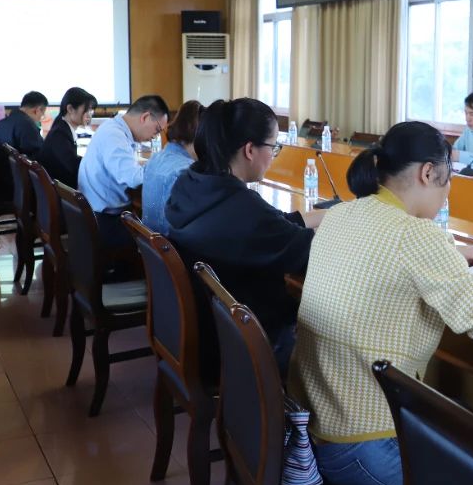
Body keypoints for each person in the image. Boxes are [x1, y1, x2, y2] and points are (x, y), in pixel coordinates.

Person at [288, 121, 473, 485]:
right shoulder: (417, 236)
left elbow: (388, 254)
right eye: (448, 179)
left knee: (463, 412)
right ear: (428, 173)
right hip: (366, 449)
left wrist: (448, 253)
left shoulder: (339, 215)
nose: (447, 192)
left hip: (315, 431)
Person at [165, 98, 323, 366]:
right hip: (244, 345)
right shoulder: (243, 210)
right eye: (273, 147)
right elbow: (309, 252)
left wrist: (324, 215)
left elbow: (271, 225)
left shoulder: (193, 182)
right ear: (250, 150)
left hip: (203, 329)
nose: (273, 155)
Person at [78, 94, 169, 248]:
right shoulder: (114, 135)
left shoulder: (113, 127)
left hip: (97, 214)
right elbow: (133, 178)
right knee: (163, 241)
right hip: (103, 221)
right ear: (145, 117)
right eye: (157, 129)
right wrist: (162, 166)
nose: (155, 137)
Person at [142, 99, 204, 233]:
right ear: (199, 137)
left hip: (147, 243)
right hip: (169, 244)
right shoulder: (186, 171)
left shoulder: (154, 159)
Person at [0, 90, 48, 199]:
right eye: (42, 114)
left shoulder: (1, 124)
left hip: (0, 180)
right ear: (37, 110)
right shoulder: (27, 126)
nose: (41, 118)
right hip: (16, 185)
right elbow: (39, 158)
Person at [38, 86, 96, 188]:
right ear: (70, 109)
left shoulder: (61, 125)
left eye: (91, 109)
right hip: (61, 191)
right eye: (87, 109)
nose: (90, 114)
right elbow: (73, 168)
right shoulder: (59, 134)